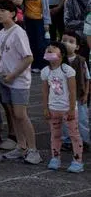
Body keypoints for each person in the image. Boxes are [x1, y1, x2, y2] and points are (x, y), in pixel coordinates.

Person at [0, 0, 41, 164]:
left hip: (19, 80)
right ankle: (21, 146)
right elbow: (4, 56)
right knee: (13, 114)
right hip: (5, 78)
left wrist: (13, 75)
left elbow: (28, 58)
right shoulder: (1, 33)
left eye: (2, 10)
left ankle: (33, 149)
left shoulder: (18, 32)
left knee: (21, 114)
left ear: (13, 13)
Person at [41, 43, 84, 172]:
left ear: (62, 54)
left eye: (54, 47)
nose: (50, 49)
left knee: (74, 135)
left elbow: (72, 91)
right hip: (53, 109)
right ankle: (55, 158)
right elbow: (45, 92)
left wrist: (71, 109)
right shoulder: (45, 71)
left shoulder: (67, 70)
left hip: (67, 109)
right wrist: (45, 108)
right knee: (55, 134)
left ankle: (78, 161)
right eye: (48, 47)